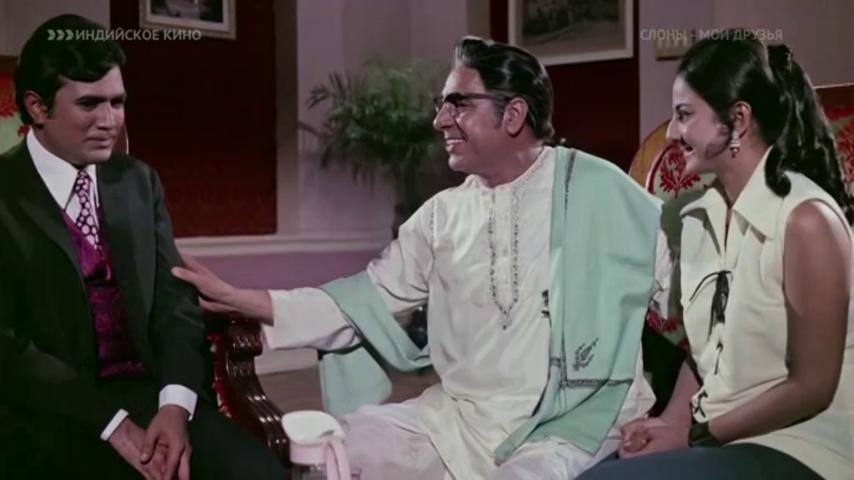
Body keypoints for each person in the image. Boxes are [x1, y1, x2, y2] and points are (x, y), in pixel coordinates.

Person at [174, 36, 673, 480]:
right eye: (441, 106)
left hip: (571, 420)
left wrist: (683, 415)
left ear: (513, 115)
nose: (439, 121)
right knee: (337, 453)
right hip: (458, 421)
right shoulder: (441, 216)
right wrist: (246, 299)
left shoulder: (598, 190)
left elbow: (690, 286)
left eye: (458, 105)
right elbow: (363, 302)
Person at [0, 14, 285, 480]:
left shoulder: (138, 181)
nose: (109, 121)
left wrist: (175, 405)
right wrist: (112, 425)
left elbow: (176, 304)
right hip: (50, 413)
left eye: (118, 102)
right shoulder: (5, 192)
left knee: (260, 473)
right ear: (36, 107)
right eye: (89, 104)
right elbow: (7, 349)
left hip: (152, 395)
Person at [578, 29, 854, 480]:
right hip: (720, 440)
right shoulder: (698, 218)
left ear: (738, 120)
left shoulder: (807, 221)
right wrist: (670, 424)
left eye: (685, 115)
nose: (671, 132)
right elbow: (706, 351)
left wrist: (697, 435)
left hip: (805, 447)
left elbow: (812, 386)